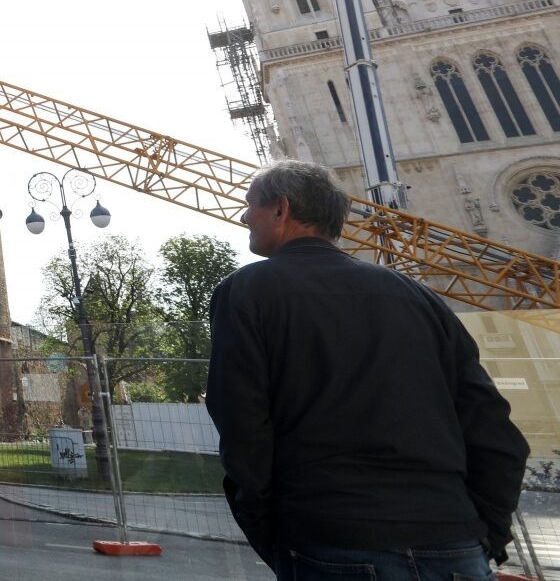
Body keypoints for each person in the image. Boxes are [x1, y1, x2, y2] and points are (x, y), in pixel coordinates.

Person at [207, 160, 528, 580]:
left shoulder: (247, 292)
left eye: (251, 206)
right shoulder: (417, 296)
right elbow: (492, 427)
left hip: (330, 538)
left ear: (282, 209)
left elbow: (243, 426)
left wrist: (273, 531)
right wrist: (485, 533)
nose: (245, 216)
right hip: (454, 541)